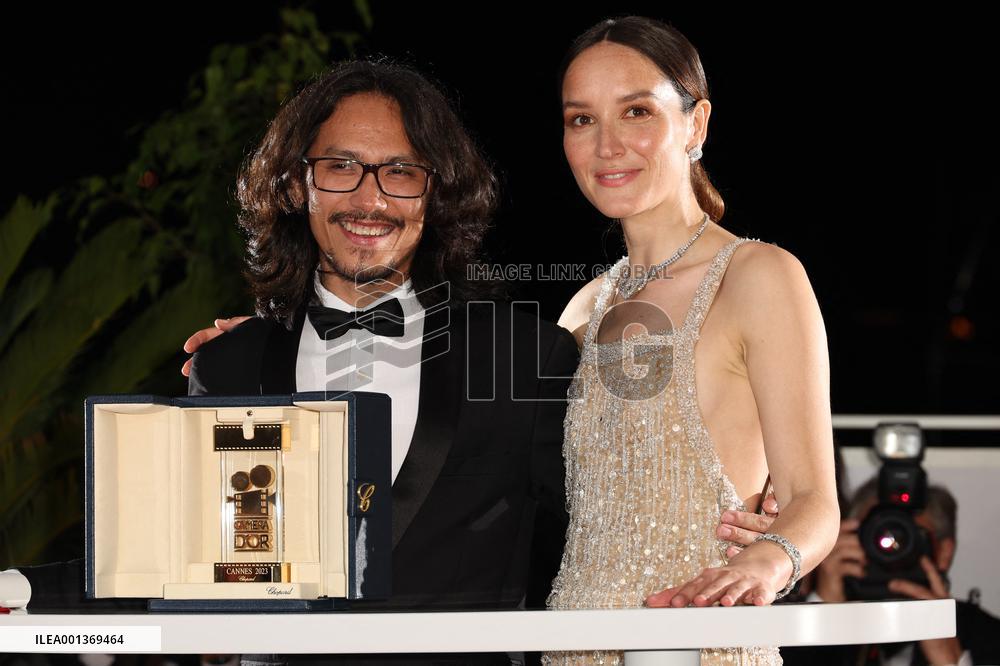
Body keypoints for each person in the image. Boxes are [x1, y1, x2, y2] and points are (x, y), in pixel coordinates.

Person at [5, 58, 579, 666]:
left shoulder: (528, 359)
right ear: (294, 185)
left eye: (401, 171)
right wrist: (18, 588)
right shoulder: (228, 366)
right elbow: (169, 565)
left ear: (435, 192)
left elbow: (592, 537)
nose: (369, 198)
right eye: (340, 167)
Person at [540, 16, 839, 665]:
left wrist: (767, 561)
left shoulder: (759, 277)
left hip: (705, 637)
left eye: (636, 111)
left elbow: (814, 501)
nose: (607, 144)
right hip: (576, 646)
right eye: (581, 119)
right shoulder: (582, 310)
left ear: (696, 124)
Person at [780, 479, 1000, 666]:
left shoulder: (984, 633)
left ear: (943, 551)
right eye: (877, 537)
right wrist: (824, 607)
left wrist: (952, 660)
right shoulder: (818, 621)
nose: (891, 549)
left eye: (907, 539)